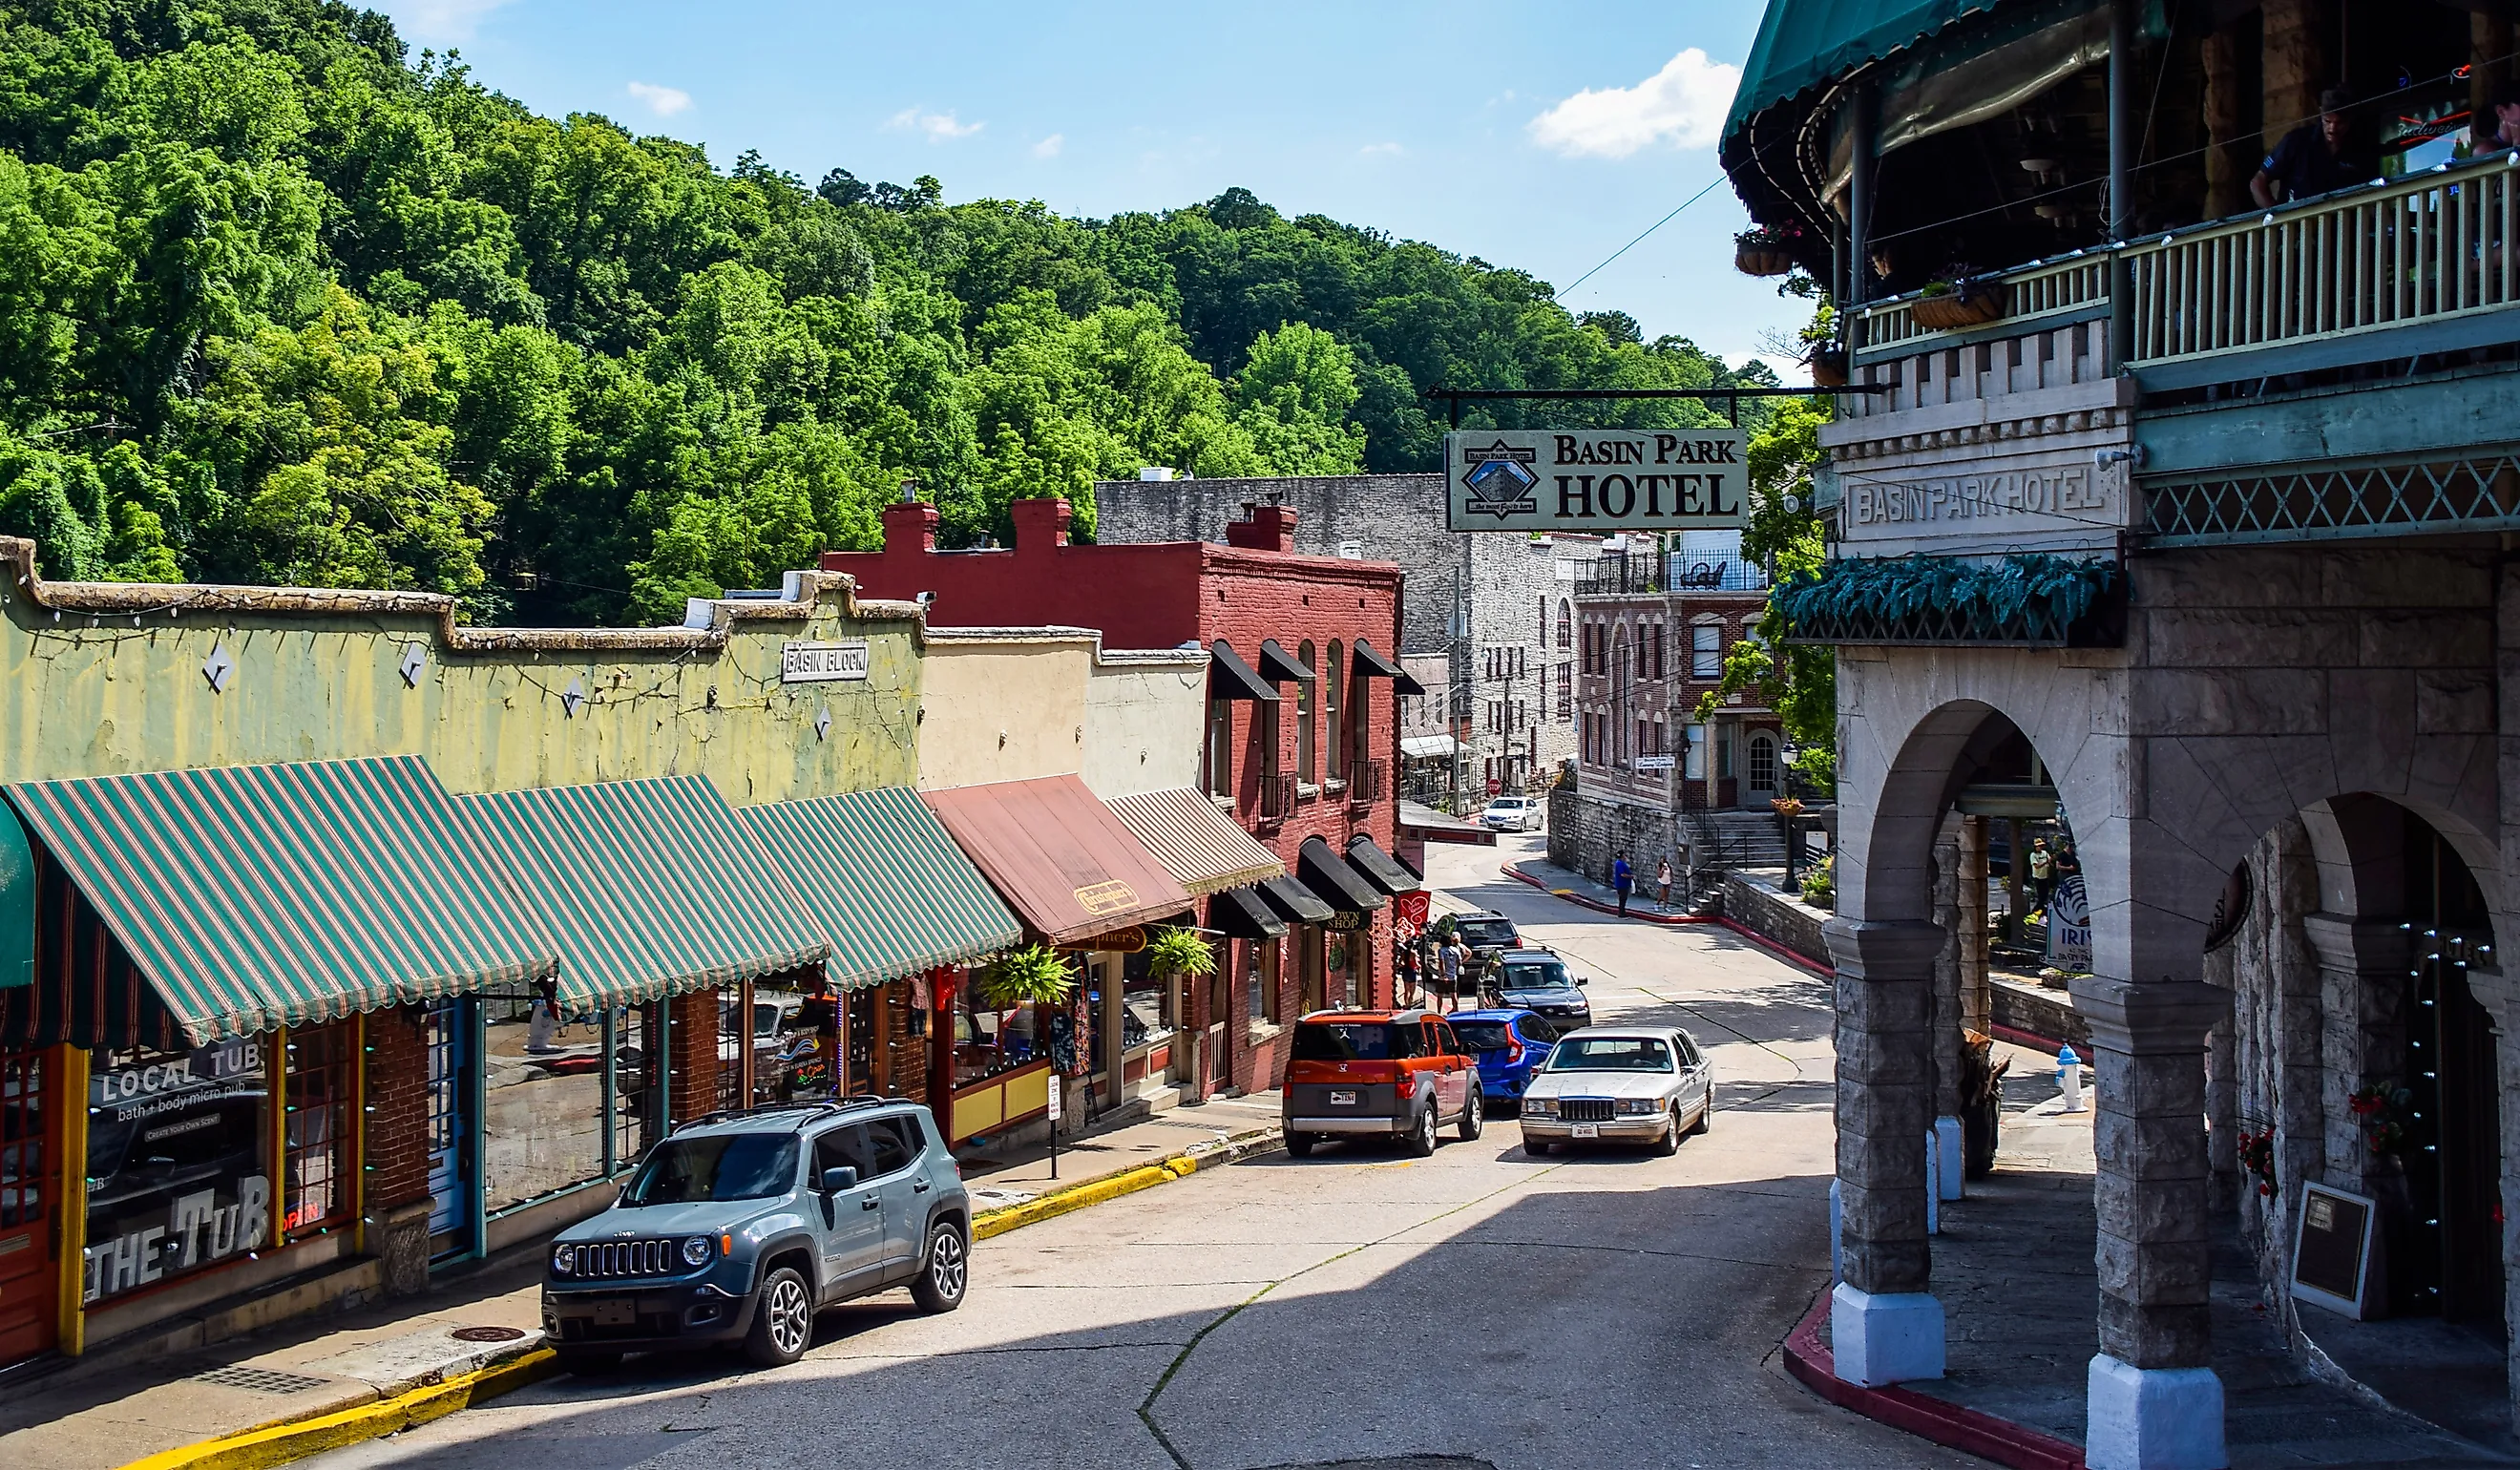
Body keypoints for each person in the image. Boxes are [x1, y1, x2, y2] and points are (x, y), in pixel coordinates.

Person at [2253, 88, 2372, 207]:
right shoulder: (2296, 141)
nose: (2332, 129)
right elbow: (2258, 182)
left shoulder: (2359, 149)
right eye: (2327, 121)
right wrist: (2275, 215)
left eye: (2340, 123)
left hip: (2340, 222)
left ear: (2350, 119)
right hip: (2295, 222)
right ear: (2321, 113)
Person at [2027, 838, 2054, 913]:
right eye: (2039, 846)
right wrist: (2045, 862)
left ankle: (2041, 909)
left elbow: (2049, 859)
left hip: (2045, 876)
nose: (2041, 847)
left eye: (2042, 846)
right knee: (2041, 895)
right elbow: (2036, 866)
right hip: (2038, 877)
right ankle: (2035, 910)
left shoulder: (2045, 853)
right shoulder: (2033, 855)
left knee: (2045, 894)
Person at [1612, 851, 1634, 917]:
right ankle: (1621, 913)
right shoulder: (1620, 864)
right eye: (1624, 855)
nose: (1625, 856)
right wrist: (1630, 876)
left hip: (1624, 884)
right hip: (1622, 884)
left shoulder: (1622, 863)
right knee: (1622, 899)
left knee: (1623, 899)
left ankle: (1622, 912)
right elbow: (1622, 874)